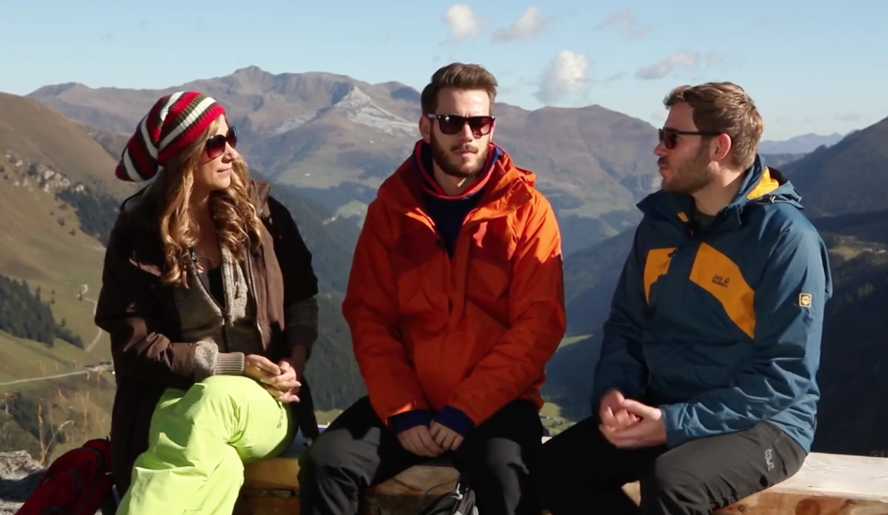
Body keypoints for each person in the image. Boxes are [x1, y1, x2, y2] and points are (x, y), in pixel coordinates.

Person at [532, 82, 833, 514]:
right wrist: (614, 389)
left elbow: (786, 375)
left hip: (767, 423)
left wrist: (674, 424)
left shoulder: (785, 239)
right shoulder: (662, 222)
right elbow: (626, 325)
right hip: (666, 404)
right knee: (553, 468)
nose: (659, 149)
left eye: (672, 138)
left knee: (675, 482)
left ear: (719, 147)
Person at [298, 63, 566, 515]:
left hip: (497, 404)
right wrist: (404, 410)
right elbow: (369, 316)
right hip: (409, 402)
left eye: (478, 122)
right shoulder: (391, 209)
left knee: (507, 476)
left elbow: (538, 325)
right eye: (451, 122)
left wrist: (466, 410)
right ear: (426, 127)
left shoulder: (528, 211)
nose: (467, 135)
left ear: (491, 126)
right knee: (327, 464)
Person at [94, 91, 320, 514]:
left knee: (213, 400)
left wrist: (295, 360)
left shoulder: (263, 214)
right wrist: (230, 364)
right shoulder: (139, 236)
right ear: (184, 158)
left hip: (267, 402)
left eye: (230, 136)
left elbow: (303, 297)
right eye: (215, 144)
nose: (231, 153)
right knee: (216, 464)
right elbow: (135, 347)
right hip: (170, 406)